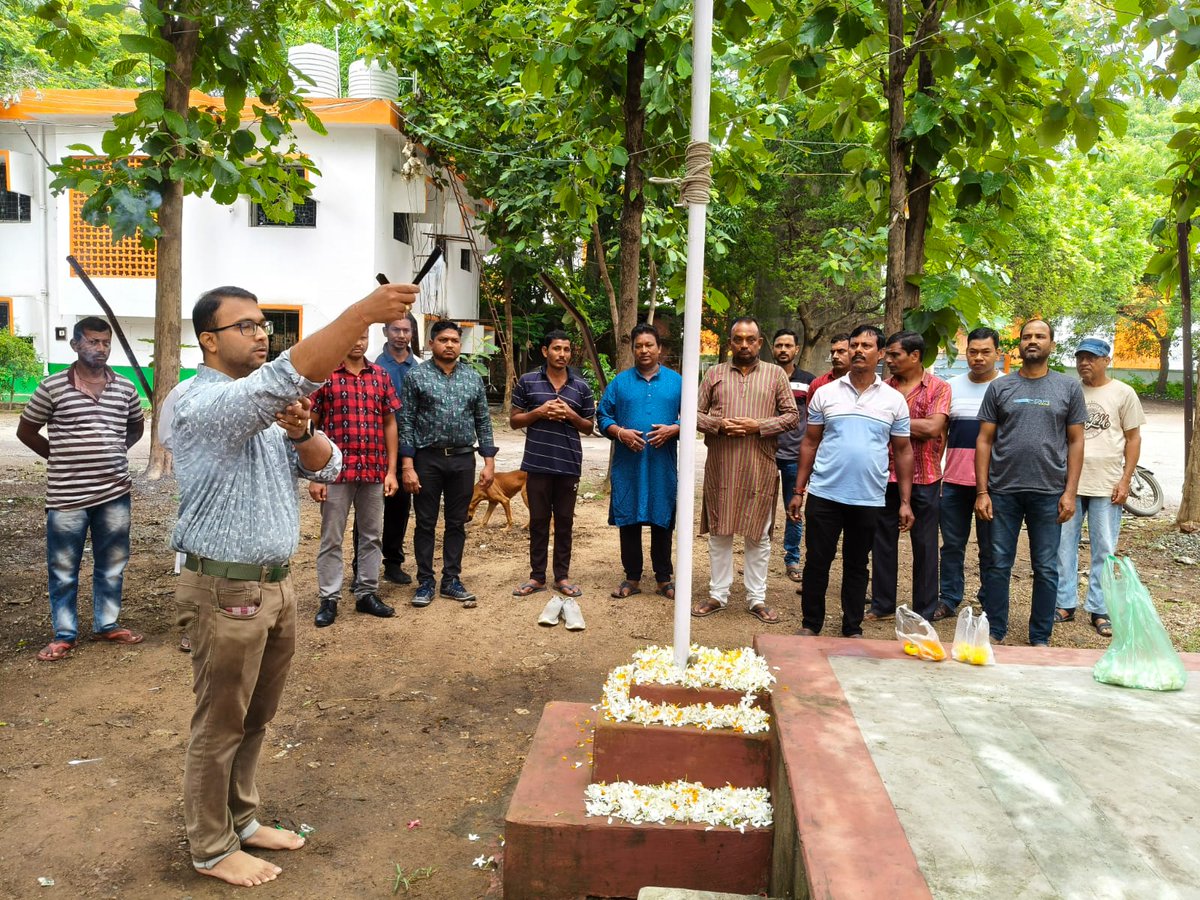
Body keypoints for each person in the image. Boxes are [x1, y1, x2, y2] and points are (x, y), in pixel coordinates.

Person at [172, 281, 416, 886]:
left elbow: (327, 465)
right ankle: (210, 846)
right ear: (208, 340)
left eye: (263, 324)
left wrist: (303, 430)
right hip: (226, 590)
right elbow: (279, 381)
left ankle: (243, 820)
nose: (261, 333)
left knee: (256, 717)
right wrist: (359, 315)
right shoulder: (198, 402)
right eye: (245, 326)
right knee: (220, 721)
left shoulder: (257, 409)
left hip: (276, 589)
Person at [17, 316, 145, 662]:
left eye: (104, 342)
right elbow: (26, 431)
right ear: (75, 345)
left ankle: (107, 624)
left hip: (115, 493)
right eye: (92, 342)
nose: (100, 348)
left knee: (113, 563)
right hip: (67, 496)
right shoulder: (52, 386)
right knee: (62, 566)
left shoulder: (125, 388)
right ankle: (64, 634)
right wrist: (58, 457)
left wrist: (114, 453)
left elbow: (136, 426)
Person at [788, 325, 914, 637]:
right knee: (817, 561)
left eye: (866, 346)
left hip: (868, 497)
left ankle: (852, 626)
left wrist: (906, 502)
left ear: (881, 353)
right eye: (854, 345)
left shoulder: (894, 400)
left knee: (857, 565)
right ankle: (810, 624)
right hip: (825, 494)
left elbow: (903, 450)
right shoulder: (827, 394)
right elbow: (809, 443)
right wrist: (798, 490)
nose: (858, 350)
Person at [975, 318, 1085, 646]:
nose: (1032, 341)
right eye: (1026, 336)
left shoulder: (1068, 387)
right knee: (997, 563)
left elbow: (1076, 441)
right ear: (1019, 345)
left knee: (1047, 567)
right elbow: (984, 440)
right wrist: (982, 491)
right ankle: (995, 630)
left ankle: (1040, 636)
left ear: (1052, 343)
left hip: (1049, 491)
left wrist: (1070, 492)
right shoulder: (1000, 387)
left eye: (1040, 336)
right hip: (1003, 490)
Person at [691, 317, 799, 624]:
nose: (744, 345)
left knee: (758, 535)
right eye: (738, 339)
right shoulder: (714, 373)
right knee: (720, 533)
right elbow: (693, 414)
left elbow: (792, 417)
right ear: (730, 343)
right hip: (722, 466)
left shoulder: (776, 375)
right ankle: (718, 594)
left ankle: (756, 598)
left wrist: (758, 426)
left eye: (750, 339)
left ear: (759, 343)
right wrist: (720, 425)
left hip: (759, 466)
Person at [398, 320, 497, 609]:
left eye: (455, 340)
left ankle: (451, 580)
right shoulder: (416, 377)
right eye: (443, 340)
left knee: (457, 522)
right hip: (427, 459)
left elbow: (483, 421)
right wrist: (407, 466)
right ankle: (426, 582)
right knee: (425, 522)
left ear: (460, 344)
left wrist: (488, 462)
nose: (450, 345)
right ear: (432, 344)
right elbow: (406, 423)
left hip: (463, 459)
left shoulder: (472, 378)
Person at [308, 329, 401, 627]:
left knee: (372, 536)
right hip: (335, 472)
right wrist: (316, 474)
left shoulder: (380, 376)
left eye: (362, 337)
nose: (357, 342)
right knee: (331, 537)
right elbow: (313, 426)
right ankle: (329, 598)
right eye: (352, 336)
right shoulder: (325, 376)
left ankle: (366, 593)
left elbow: (389, 423)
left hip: (374, 470)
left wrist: (391, 471)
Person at [1055, 337, 1145, 638]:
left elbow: (1133, 439)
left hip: (1107, 484)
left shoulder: (1123, 393)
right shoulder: (1069, 390)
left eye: (1092, 358)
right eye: (1080, 357)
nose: (1085, 363)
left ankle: (1099, 608)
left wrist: (1126, 479)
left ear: (1107, 360)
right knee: (1063, 544)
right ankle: (1065, 602)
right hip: (1071, 483)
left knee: (1104, 548)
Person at [510, 330, 596, 628]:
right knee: (537, 521)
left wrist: (571, 414)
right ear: (545, 351)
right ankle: (536, 576)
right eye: (557, 348)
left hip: (568, 464)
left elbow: (588, 426)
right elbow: (514, 419)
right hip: (536, 463)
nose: (562, 354)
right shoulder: (528, 382)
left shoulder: (581, 386)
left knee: (565, 523)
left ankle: (562, 576)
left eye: (567, 349)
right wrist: (541, 411)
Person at [865, 331, 949, 622]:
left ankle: (924, 610)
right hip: (884, 475)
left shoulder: (939, 388)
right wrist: (912, 424)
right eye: (887, 354)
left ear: (915, 356)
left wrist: (893, 421)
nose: (888, 360)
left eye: (894, 355)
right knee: (882, 542)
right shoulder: (882, 388)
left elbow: (932, 429)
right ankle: (883, 605)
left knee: (925, 545)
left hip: (925, 476)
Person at [597, 323, 682, 602]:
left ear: (659, 348)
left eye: (649, 345)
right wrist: (619, 432)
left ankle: (663, 578)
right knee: (629, 519)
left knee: (662, 518)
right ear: (632, 349)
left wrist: (674, 429)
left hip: (661, 464)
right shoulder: (620, 382)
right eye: (638, 346)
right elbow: (602, 416)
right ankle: (632, 576)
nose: (644, 350)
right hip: (629, 464)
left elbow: (695, 416)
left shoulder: (677, 382)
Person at [935, 327, 1003, 621]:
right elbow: (940, 435)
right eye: (972, 352)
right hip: (953, 481)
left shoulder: (1008, 387)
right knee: (952, 544)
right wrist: (937, 475)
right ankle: (949, 598)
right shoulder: (950, 387)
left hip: (995, 483)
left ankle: (990, 601)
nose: (978, 358)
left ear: (998, 354)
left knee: (992, 547)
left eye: (985, 352)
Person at [371, 314, 421, 585]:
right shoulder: (373, 366)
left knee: (400, 506)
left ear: (412, 333)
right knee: (369, 509)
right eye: (396, 330)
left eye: (406, 330)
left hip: (408, 448)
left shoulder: (420, 367)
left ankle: (393, 562)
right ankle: (362, 566)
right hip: (374, 447)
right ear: (385, 331)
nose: (401, 335)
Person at [771, 328, 816, 583]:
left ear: (796, 349)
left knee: (794, 508)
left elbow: (814, 419)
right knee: (761, 509)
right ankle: (761, 555)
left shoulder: (809, 381)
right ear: (773, 349)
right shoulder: (765, 376)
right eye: (779, 345)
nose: (783, 350)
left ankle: (792, 559)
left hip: (795, 456)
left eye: (788, 345)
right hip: (765, 453)